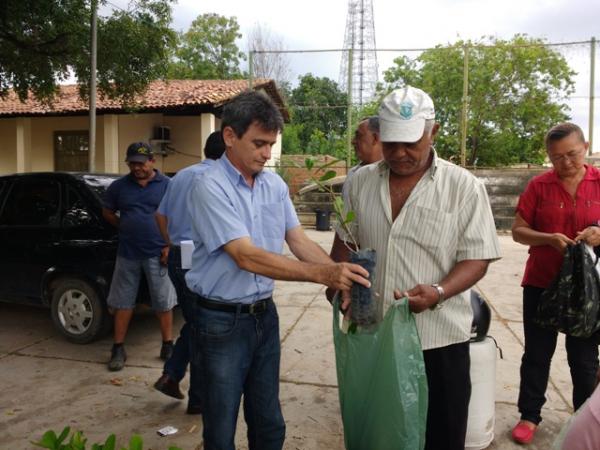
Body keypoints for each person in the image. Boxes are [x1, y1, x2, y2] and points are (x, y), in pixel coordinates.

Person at [185, 91, 371, 450]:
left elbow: (299, 242)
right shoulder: (209, 186)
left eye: (271, 144)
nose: (267, 154)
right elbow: (245, 256)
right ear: (229, 136)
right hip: (220, 322)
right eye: (258, 143)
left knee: (268, 420)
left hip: (263, 317)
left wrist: (340, 275)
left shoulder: (273, 185)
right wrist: (323, 276)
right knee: (221, 426)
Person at [329, 85, 501, 450]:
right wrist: (338, 285)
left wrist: (439, 291)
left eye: (411, 142)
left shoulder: (463, 188)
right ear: (379, 136)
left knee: (440, 435)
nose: (401, 153)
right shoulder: (358, 182)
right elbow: (344, 244)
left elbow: (478, 257)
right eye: (391, 143)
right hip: (373, 333)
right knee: (379, 433)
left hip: (438, 341)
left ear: (433, 131)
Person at [511, 122, 600, 445]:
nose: (565, 163)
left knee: (584, 358)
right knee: (537, 353)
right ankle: (529, 415)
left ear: (586, 147)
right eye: (556, 157)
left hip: (586, 289)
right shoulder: (539, 186)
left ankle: (584, 417)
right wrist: (547, 239)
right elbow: (519, 230)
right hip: (541, 282)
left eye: (572, 155)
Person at [152, 131, 225, 414]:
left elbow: (160, 215)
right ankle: (195, 396)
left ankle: (173, 376)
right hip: (204, 260)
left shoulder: (181, 175)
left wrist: (169, 241)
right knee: (203, 327)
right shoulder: (220, 179)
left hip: (179, 254)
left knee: (196, 322)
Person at [102, 142, 176, 372]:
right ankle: (118, 348)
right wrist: (124, 225)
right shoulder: (119, 187)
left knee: (163, 301)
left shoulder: (167, 185)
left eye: (141, 163)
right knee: (123, 302)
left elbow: (178, 215)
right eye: (132, 163)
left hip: (157, 252)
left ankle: (167, 345)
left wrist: (169, 245)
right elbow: (107, 211)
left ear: (152, 161)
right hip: (128, 253)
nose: (136, 168)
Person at [342, 116, 383, 200]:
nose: (353, 141)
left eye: (359, 136)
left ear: (375, 138)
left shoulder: (391, 174)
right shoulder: (352, 174)